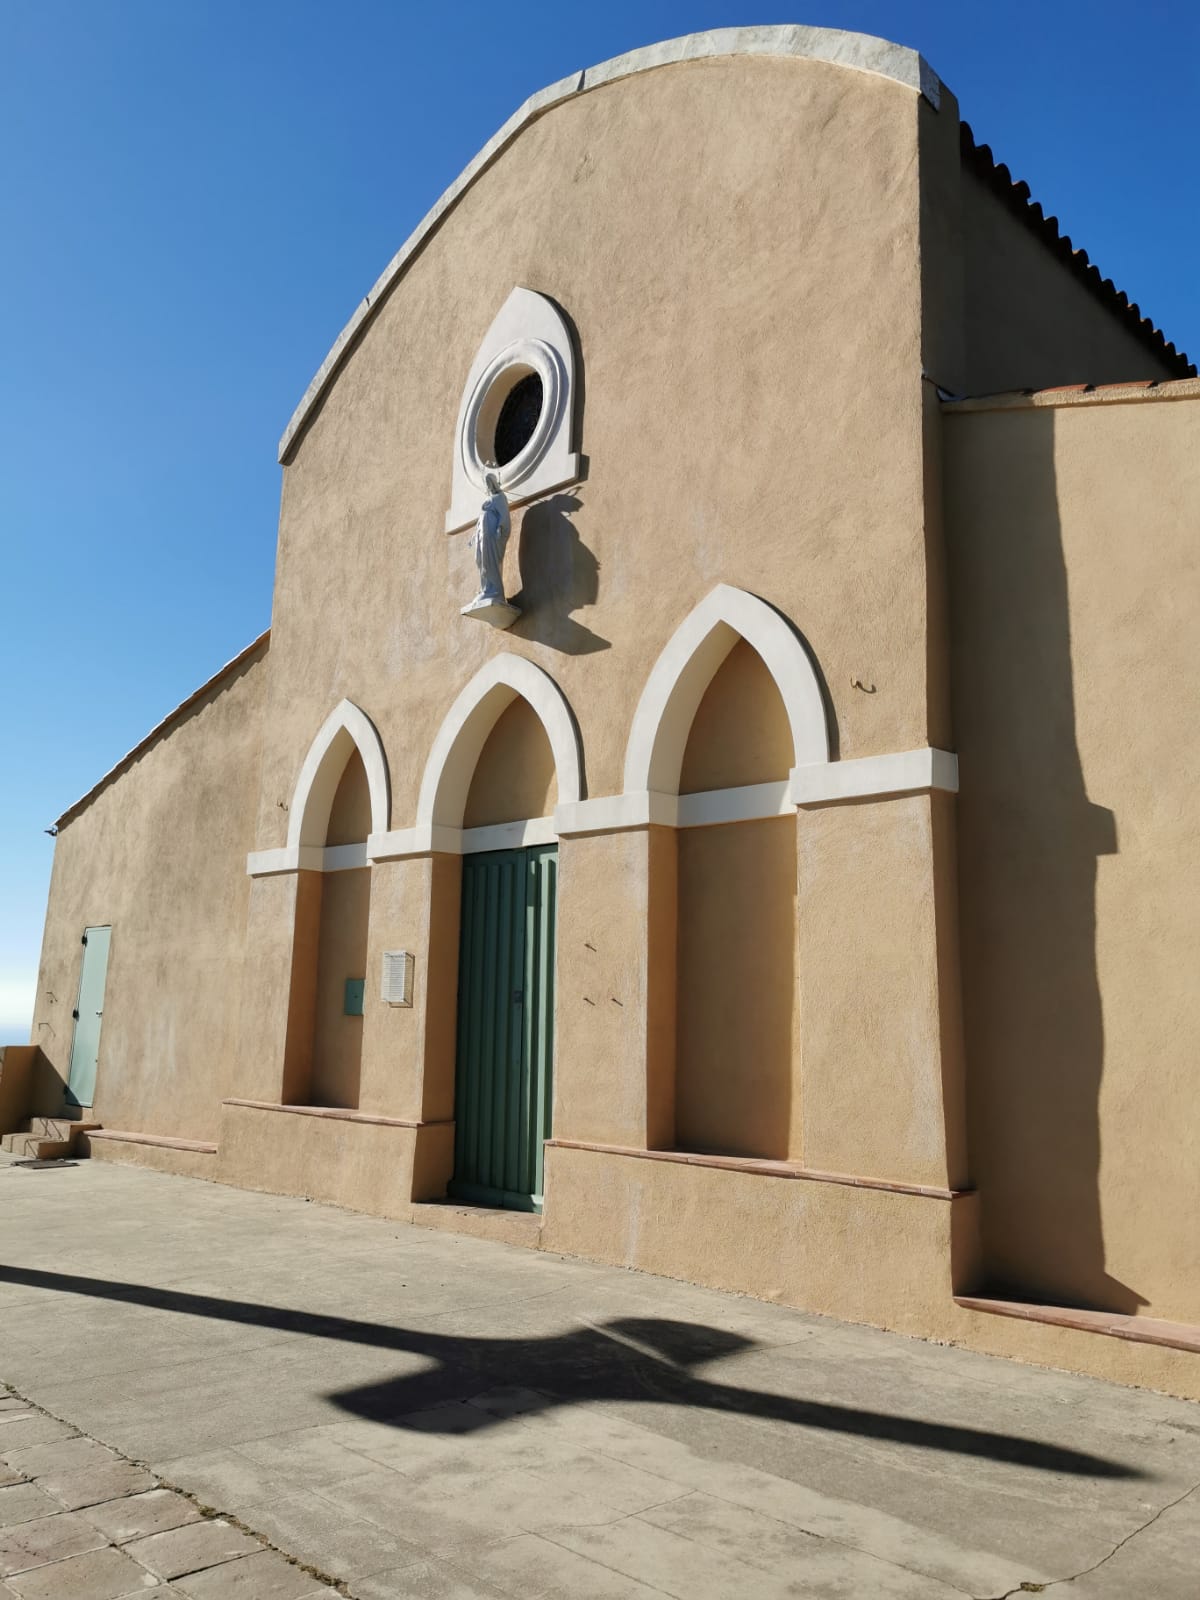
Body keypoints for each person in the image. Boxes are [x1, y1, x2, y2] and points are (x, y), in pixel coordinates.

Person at [467, 472, 512, 607]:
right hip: (483, 535)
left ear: (494, 483)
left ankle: (495, 591)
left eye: (490, 484)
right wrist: (474, 536)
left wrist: (500, 527)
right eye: (487, 485)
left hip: (492, 536)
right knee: (479, 559)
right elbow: (481, 519)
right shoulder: (491, 499)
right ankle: (486, 588)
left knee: (489, 560)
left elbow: (504, 515)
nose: (489, 487)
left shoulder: (500, 498)